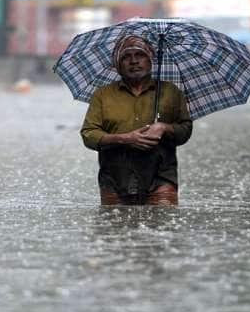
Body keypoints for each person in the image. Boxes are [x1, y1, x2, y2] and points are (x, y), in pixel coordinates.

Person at [80, 35, 193, 205]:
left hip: (160, 177)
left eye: (140, 55)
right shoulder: (102, 95)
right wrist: (125, 139)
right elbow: (89, 135)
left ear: (150, 60)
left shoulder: (170, 92)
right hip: (115, 178)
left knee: (164, 226)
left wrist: (163, 127)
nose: (134, 61)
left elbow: (185, 130)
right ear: (118, 65)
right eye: (126, 57)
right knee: (114, 228)